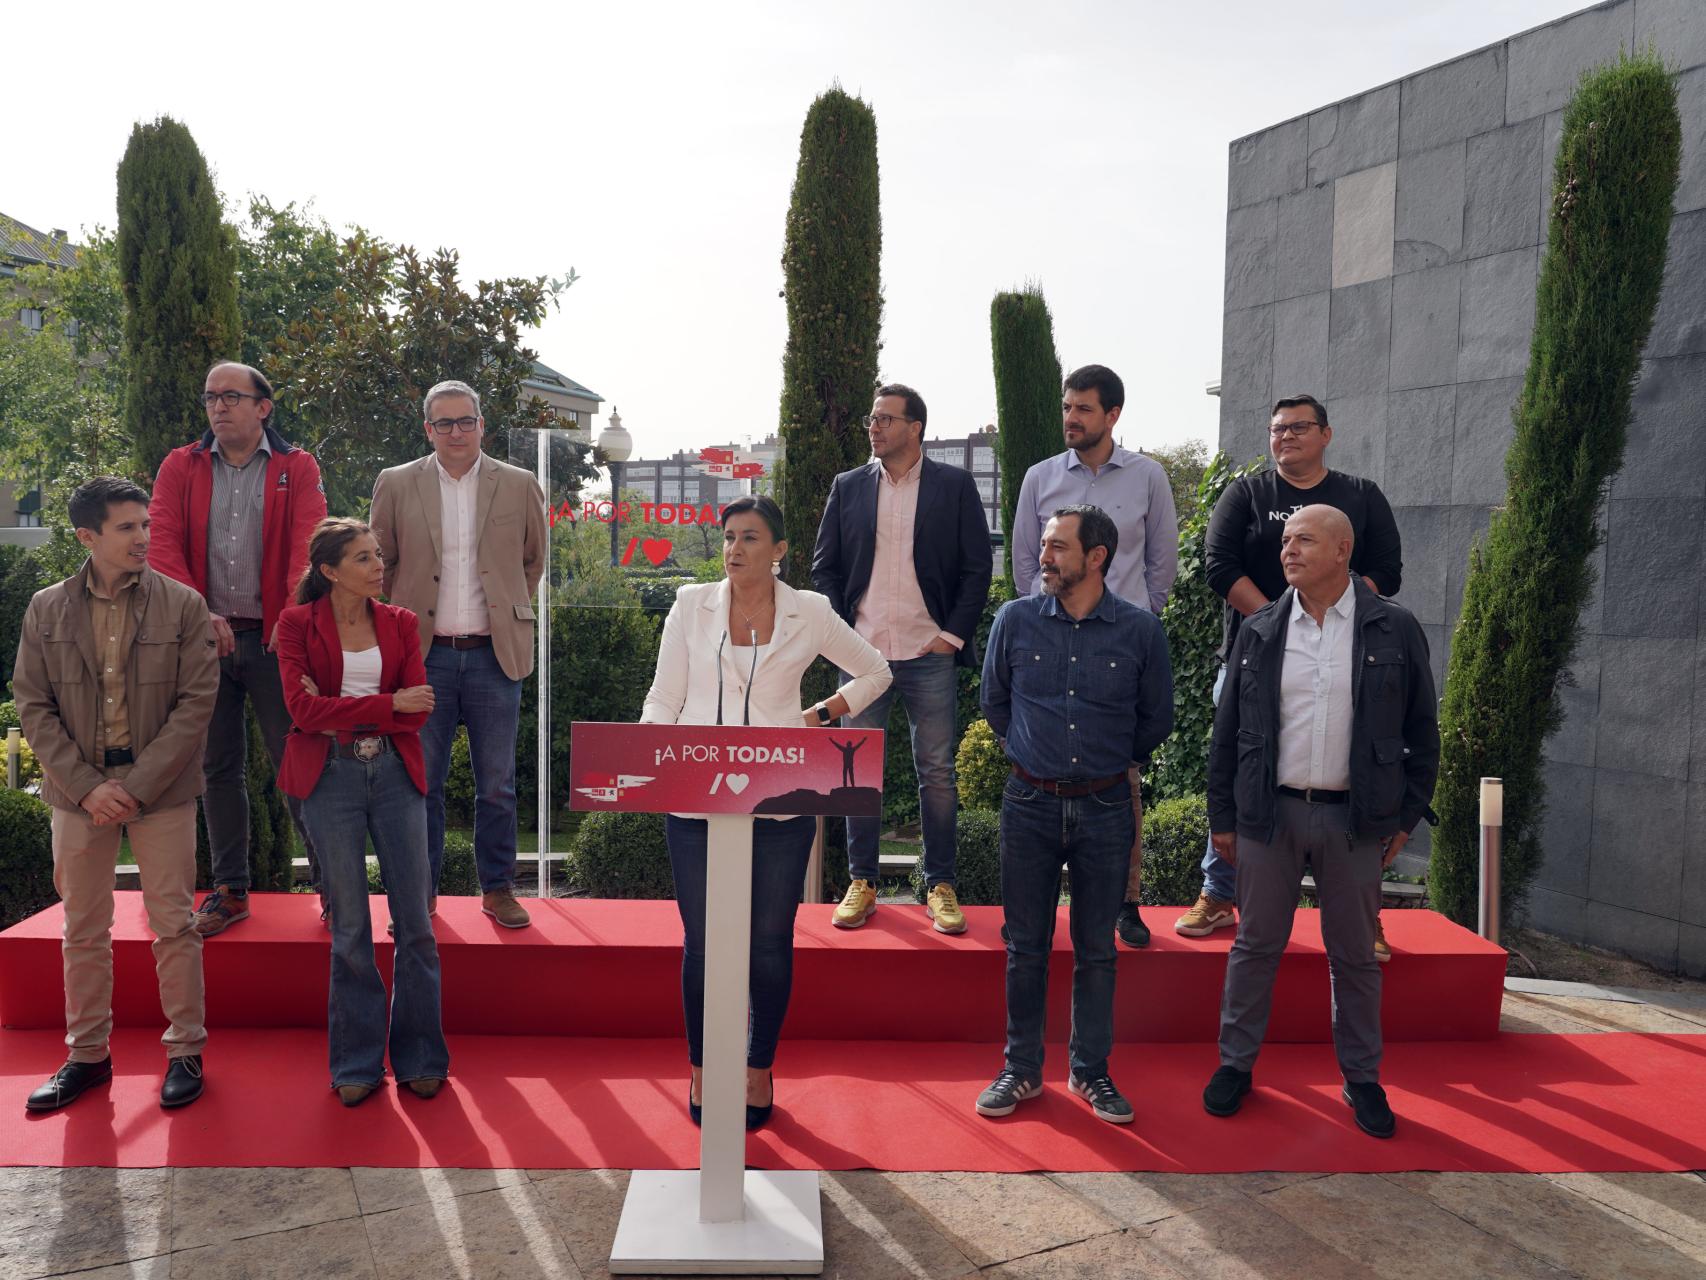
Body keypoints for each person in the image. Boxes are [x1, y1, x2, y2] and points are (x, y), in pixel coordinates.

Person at [642, 495, 891, 1129]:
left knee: (769, 945)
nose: (733, 549)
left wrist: (814, 719)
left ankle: (757, 1067)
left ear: (778, 552)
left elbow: (875, 671)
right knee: (702, 943)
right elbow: (665, 694)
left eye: (750, 538)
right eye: (727, 537)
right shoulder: (689, 605)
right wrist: (651, 763)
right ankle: (702, 1069)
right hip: (696, 799)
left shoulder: (811, 612)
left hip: (783, 802)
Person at [1201, 505, 1437, 1140]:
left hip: (1356, 821)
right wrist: (1221, 814)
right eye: (1284, 540)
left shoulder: (1394, 629)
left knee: (1355, 957)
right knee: (1254, 948)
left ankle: (1362, 1079)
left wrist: (1407, 819)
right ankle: (1235, 1066)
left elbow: (1423, 734)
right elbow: (1227, 736)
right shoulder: (1260, 629)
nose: (1288, 550)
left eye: (1303, 539)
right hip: (1268, 815)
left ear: (1343, 549)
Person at [15, 477, 219, 1111]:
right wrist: (86, 787)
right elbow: (32, 704)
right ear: (88, 536)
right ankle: (87, 1057)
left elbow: (195, 704)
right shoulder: (46, 607)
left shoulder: (183, 605)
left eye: (145, 525)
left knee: (175, 925)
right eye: (127, 527)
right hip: (78, 795)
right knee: (82, 928)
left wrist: (131, 788)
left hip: (159, 790)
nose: (143, 538)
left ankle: (185, 1050)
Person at [1179, 394, 1403, 959]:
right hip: (1253, 656)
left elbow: (1386, 571)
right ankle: (1217, 892)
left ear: (1327, 434)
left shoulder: (1360, 496)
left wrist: (1334, 619)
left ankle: (1364, 915)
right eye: (1277, 429)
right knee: (1241, 765)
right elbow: (1218, 565)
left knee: (1354, 763)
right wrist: (1278, 624)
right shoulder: (1248, 494)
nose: (1285, 437)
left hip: (1352, 660)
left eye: (1299, 428)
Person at [976, 505, 1173, 1126]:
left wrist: (1108, 762)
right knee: (1024, 946)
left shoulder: (1140, 631)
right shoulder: (1015, 620)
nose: (1043, 555)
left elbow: (1156, 720)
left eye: (1058, 546)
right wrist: (1032, 756)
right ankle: (1021, 1069)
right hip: (1028, 802)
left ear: (1096, 557)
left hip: (1108, 805)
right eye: (1045, 545)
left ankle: (1091, 1072)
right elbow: (995, 703)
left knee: (1097, 950)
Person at [148, 361, 327, 934]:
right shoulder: (182, 464)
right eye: (210, 398)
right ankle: (229, 891)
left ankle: (333, 887)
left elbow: (309, 543)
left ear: (263, 407)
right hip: (204, 640)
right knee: (216, 769)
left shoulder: (297, 468)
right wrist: (202, 613)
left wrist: (289, 620)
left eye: (231, 396)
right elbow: (162, 545)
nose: (218, 407)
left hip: (277, 642)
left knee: (296, 764)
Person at [274, 518, 449, 1107]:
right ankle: (355, 1062)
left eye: (378, 555)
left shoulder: (399, 621)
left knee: (417, 926)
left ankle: (422, 1056)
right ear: (329, 571)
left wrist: (348, 708)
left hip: (397, 775)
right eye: (364, 558)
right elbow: (301, 711)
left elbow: (419, 709)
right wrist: (386, 704)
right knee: (350, 927)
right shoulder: (296, 624)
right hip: (329, 777)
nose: (380, 566)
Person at [813, 383, 992, 935]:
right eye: (872, 418)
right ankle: (861, 883)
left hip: (928, 653)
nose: (875, 427)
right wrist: (843, 634)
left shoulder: (955, 486)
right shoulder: (848, 487)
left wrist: (951, 636)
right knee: (854, 770)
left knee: (936, 774)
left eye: (886, 419)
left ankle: (939, 884)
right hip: (863, 656)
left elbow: (976, 569)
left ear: (916, 427)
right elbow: (826, 569)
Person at [368, 378, 547, 930]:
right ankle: (418, 896)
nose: (455, 432)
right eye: (443, 422)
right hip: (423, 659)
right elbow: (380, 564)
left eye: (465, 420)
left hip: (497, 655)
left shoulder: (519, 485)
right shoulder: (396, 483)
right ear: (428, 429)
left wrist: (505, 612)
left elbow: (531, 563)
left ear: (481, 425)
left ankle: (497, 889)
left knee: (497, 783)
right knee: (421, 783)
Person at [1011, 366, 1177, 949]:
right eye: (1067, 407)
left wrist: (1134, 622)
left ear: (1112, 415)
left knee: (1120, 777)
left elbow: (1162, 564)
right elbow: (1024, 565)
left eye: (1083, 409)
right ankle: (1030, 909)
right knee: (1038, 773)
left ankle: (1125, 904)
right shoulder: (1039, 477)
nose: (1071, 418)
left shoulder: (1148, 477)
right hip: (1047, 637)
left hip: (1119, 641)